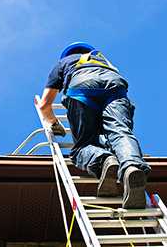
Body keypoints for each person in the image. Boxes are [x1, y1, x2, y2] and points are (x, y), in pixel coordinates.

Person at [37, 42, 151, 208]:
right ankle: (132, 168)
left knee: (81, 148)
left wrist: (54, 123)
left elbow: (44, 105)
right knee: (120, 132)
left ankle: (104, 160)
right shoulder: (104, 61)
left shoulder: (64, 63)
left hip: (82, 90)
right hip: (115, 88)